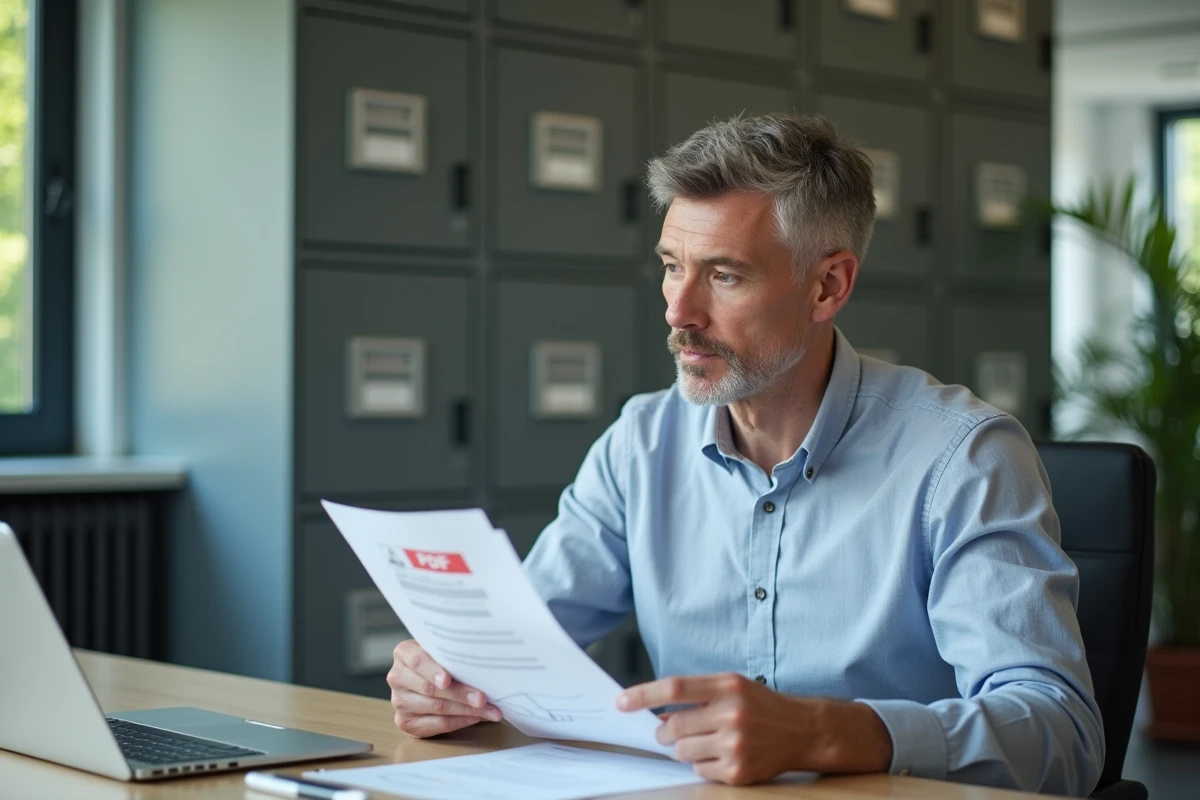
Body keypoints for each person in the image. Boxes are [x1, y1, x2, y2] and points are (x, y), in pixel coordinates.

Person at [386, 113, 1104, 796]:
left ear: (828, 286)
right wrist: (451, 681)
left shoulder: (963, 459)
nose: (679, 310)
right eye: (672, 266)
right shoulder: (641, 443)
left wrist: (827, 733)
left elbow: (1061, 735)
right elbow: (520, 648)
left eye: (724, 275)